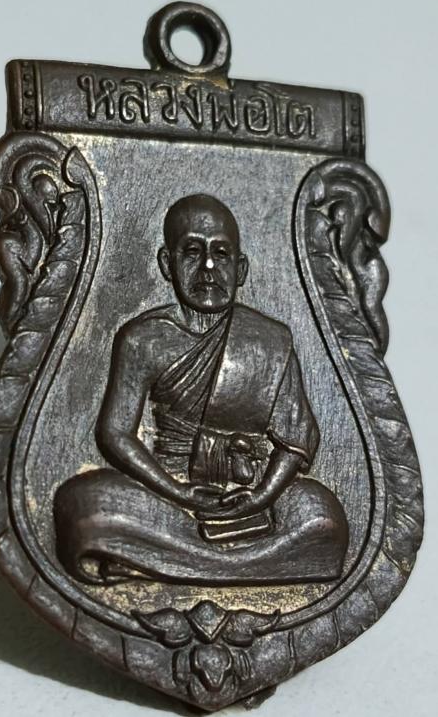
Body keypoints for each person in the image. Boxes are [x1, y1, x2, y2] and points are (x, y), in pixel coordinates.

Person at [54, 194, 348, 584]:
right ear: (167, 263)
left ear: (240, 269)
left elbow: (297, 438)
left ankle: (158, 563)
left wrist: (262, 495)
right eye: (192, 252)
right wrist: (177, 491)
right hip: (168, 494)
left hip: (249, 494)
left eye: (221, 254)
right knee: (88, 503)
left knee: (321, 513)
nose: (208, 267)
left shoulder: (270, 340)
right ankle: (250, 566)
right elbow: (116, 433)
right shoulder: (143, 339)